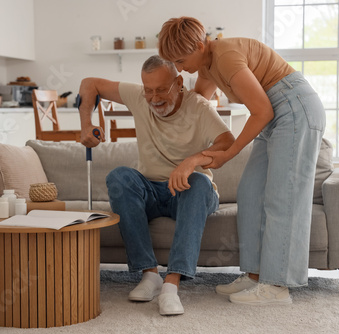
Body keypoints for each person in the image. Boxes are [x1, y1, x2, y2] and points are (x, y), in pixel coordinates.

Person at [158, 17, 326, 305]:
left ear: (200, 45)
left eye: (181, 60)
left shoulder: (225, 57)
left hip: (293, 108)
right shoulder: (207, 64)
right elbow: (199, 100)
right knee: (250, 192)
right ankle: (255, 275)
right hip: (275, 113)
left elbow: (261, 111)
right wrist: (166, 104)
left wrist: (227, 153)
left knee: (281, 197)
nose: (181, 68)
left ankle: (276, 286)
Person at [78, 55, 234, 315]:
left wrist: (191, 161)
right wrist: (86, 123)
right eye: (148, 90)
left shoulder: (199, 107)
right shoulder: (139, 96)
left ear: (179, 82)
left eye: (161, 89)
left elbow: (228, 143)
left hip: (189, 191)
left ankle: (171, 285)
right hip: (150, 189)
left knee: (198, 181)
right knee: (119, 176)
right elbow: (89, 83)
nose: (154, 98)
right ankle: (150, 275)